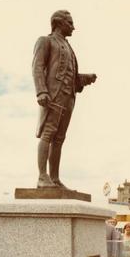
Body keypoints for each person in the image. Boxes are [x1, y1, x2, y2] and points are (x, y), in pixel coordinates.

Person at [32, 10, 97, 188]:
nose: (73, 27)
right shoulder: (46, 41)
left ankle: (54, 178)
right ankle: (42, 176)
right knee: (48, 133)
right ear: (58, 23)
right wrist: (41, 91)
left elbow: (71, 76)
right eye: (70, 22)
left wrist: (85, 78)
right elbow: (37, 67)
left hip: (69, 96)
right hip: (53, 94)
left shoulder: (68, 47)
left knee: (60, 138)